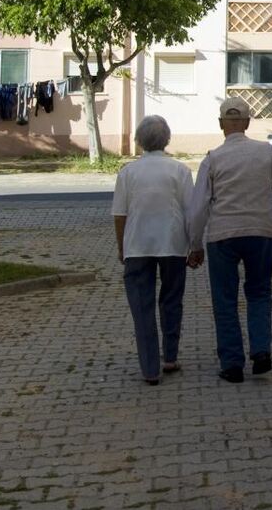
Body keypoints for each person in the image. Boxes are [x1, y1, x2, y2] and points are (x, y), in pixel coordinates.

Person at [188, 98, 272, 383]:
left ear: (221, 125)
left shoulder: (212, 158)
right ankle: (261, 351)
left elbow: (198, 206)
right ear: (248, 124)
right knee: (259, 293)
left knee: (225, 300)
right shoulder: (267, 152)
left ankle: (232, 365)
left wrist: (195, 244)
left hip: (222, 236)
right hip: (260, 233)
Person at [112, 115, 195, 385]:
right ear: (167, 139)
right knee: (172, 300)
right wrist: (194, 244)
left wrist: (121, 246)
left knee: (142, 307)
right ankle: (169, 357)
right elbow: (190, 211)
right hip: (172, 244)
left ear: (139, 140)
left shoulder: (128, 172)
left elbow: (120, 214)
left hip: (137, 245)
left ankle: (149, 368)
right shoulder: (179, 170)